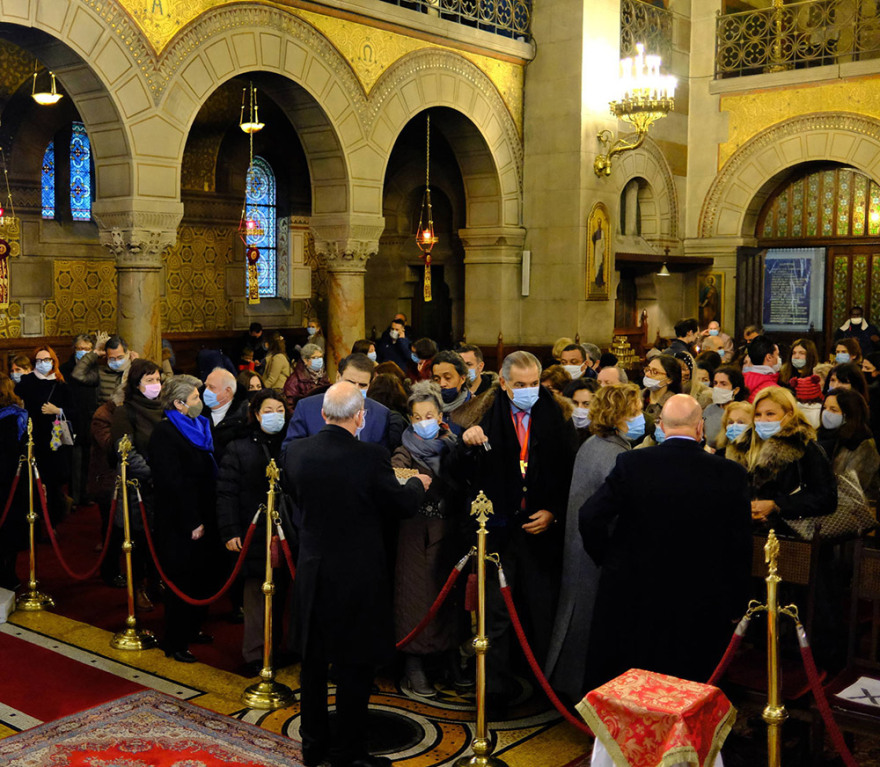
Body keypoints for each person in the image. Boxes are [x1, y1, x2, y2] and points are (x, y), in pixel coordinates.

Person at [283, 381, 428, 767]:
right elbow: (399, 504)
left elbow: (296, 501)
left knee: (312, 667)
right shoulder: (370, 456)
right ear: (360, 416)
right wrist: (417, 483)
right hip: (356, 576)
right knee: (353, 667)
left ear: (323, 414)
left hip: (313, 572)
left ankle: (312, 747)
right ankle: (349, 753)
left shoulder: (296, 453)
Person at [578, 394, 752, 689]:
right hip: (700, 597)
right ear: (700, 428)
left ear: (661, 425)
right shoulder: (730, 473)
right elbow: (740, 544)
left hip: (634, 591)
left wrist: (609, 559)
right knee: (687, 681)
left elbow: (590, 515)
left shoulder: (631, 463)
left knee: (633, 678)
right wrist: (737, 601)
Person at [456, 351, 576, 716]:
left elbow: (569, 472)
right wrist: (466, 444)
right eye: (520, 385)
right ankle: (494, 689)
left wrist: (553, 512)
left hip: (541, 532)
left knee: (541, 609)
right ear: (504, 383)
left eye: (534, 384)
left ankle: (546, 689)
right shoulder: (483, 416)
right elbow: (458, 475)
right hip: (498, 533)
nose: (528, 391)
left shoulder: (556, 416)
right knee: (496, 615)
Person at [545, 383, 640, 702]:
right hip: (595, 550)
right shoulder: (615, 453)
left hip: (577, 545)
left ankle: (564, 685)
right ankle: (581, 693)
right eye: (637, 411)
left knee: (573, 614)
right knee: (587, 622)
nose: (641, 417)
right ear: (622, 414)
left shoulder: (592, 444)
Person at [391, 382, 459, 698]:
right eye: (418, 417)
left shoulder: (453, 445)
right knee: (415, 599)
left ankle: (448, 660)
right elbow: (396, 480)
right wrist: (414, 481)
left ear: (440, 415)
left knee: (448, 598)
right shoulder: (403, 450)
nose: (424, 421)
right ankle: (414, 667)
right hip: (414, 534)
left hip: (449, 532)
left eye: (429, 415)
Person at [217, 388, 292, 674]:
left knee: (282, 592)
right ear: (257, 414)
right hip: (253, 528)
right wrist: (230, 531)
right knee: (255, 594)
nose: (276, 416)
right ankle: (254, 654)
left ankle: (277, 649)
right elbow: (226, 492)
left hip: (285, 531)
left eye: (280, 410)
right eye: (269, 411)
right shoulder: (239, 446)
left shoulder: (291, 443)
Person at [148, 375, 218, 663]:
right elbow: (172, 483)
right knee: (181, 580)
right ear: (179, 404)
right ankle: (174, 640)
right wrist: (192, 521)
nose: (200, 402)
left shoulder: (200, 425)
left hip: (204, 510)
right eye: (195, 399)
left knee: (202, 575)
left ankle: (193, 627)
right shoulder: (165, 434)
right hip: (180, 520)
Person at [109, 359, 165, 612]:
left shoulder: (164, 408)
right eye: (150, 381)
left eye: (158, 380)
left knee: (160, 540)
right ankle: (138, 587)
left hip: (162, 487)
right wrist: (153, 474)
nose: (156, 385)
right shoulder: (125, 411)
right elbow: (126, 453)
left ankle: (157, 583)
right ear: (136, 384)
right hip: (138, 488)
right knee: (140, 543)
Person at [747, 386, 837, 530]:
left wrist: (776, 504)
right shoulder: (746, 445)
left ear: (788, 415)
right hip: (750, 531)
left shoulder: (804, 447)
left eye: (770, 414)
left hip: (790, 533)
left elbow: (826, 497)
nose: (762, 420)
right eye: (758, 414)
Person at [15, 346, 75, 525]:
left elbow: (73, 411)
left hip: (54, 439)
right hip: (32, 436)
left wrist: (58, 410)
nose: (43, 364)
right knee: (32, 482)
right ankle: (35, 520)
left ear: (53, 361)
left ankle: (53, 522)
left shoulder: (60, 383)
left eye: (47, 360)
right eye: (39, 361)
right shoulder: (26, 382)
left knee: (53, 482)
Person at [281, 353, 392, 450]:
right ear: (338, 377)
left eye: (362, 385)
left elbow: (382, 457)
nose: (355, 389)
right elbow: (290, 451)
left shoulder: (380, 414)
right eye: (350, 382)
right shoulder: (307, 408)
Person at [817, 389, 880, 500]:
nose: (826, 413)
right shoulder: (822, 435)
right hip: (824, 501)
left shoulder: (861, 444)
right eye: (824, 408)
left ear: (849, 414)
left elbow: (853, 488)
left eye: (833, 410)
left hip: (851, 509)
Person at [59, 333, 97, 507]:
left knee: (88, 459)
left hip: (90, 417)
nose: (83, 352)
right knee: (74, 459)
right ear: (74, 349)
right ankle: (74, 497)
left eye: (87, 349)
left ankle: (85, 494)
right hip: (71, 417)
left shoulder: (94, 368)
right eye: (80, 348)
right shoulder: (65, 369)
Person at [0, 374, 28, 590]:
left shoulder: (13, 417)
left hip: (8, 481)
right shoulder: (17, 416)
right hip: (12, 482)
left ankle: (7, 572)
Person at [73, 333, 134, 406]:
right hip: (105, 414)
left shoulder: (133, 370)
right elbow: (78, 374)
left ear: (127, 353)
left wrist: (136, 362)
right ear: (106, 356)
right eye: (112, 358)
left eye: (120, 357)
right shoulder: (100, 372)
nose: (116, 361)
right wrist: (95, 353)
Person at [203, 367, 248, 463]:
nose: (206, 391)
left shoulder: (244, 417)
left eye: (211, 387)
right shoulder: (197, 412)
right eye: (205, 386)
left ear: (227, 391)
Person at [704, 365, 749, 449]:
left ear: (736, 390)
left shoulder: (745, 411)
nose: (717, 387)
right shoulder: (709, 409)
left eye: (723, 384)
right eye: (715, 383)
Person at [430, 350, 472, 436]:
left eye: (448, 378)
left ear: (462, 379)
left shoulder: (474, 408)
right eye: (436, 380)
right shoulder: (427, 406)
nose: (442, 384)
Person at [641, 353, 681, 422]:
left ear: (669, 379)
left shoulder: (675, 405)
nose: (647, 374)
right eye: (647, 369)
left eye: (655, 372)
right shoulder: (637, 397)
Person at [563, 378, 599, 445]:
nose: (579, 408)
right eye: (575, 403)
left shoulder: (602, 438)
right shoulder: (560, 433)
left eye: (586, 404)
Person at [744, 335, 780, 402]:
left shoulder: (741, 380)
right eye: (777, 355)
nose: (779, 359)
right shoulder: (774, 391)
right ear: (769, 357)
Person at [718, 400, 754, 466]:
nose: (734, 426)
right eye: (730, 422)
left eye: (740, 422)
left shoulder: (760, 454)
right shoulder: (720, 454)